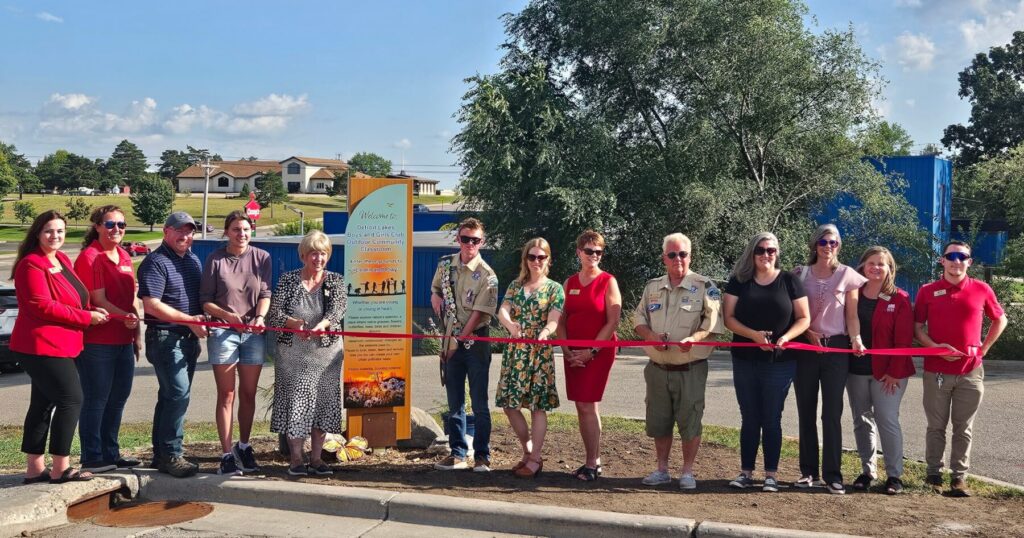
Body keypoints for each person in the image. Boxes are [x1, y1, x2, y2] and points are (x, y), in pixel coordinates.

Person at [12, 210, 109, 484]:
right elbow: (41, 306)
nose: (55, 236)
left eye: (60, 231)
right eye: (49, 231)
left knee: (43, 404)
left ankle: (34, 469)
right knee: (71, 399)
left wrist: (92, 310)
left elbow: (74, 297)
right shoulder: (31, 264)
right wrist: (85, 318)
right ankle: (60, 469)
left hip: (62, 344)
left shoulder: (62, 259)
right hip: (40, 344)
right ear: (37, 234)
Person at [915, 240, 1007, 497]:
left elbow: (1000, 319)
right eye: (951, 256)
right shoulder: (927, 291)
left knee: (963, 427)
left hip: (971, 371)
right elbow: (917, 328)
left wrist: (984, 348)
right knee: (936, 425)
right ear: (942, 260)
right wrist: (935, 347)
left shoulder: (982, 289)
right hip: (937, 372)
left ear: (970, 262)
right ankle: (933, 474)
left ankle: (959, 478)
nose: (956, 261)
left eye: (962, 257)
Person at [633, 233, 724, 490]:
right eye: (672, 255)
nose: (678, 259)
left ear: (690, 256)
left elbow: (714, 323)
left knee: (690, 420)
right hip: (658, 368)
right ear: (664, 258)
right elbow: (638, 317)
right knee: (659, 419)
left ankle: (687, 471)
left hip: (690, 368)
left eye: (683, 254)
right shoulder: (652, 287)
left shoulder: (706, 286)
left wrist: (695, 338)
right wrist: (650, 336)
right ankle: (661, 469)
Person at [723, 232, 810, 493]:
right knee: (749, 417)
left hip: (780, 362)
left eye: (770, 250)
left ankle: (771, 474)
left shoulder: (790, 280)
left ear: (777, 252)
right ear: (752, 253)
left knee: (772, 418)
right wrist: (753, 336)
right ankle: (746, 472)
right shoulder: (739, 281)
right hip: (745, 359)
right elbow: (728, 318)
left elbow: (804, 318)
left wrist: (785, 337)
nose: (765, 255)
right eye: (760, 250)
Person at [792, 223, 866, 494]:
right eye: (823, 242)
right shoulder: (800, 275)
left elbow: (852, 315)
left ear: (839, 245)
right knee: (806, 410)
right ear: (815, 245)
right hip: (806, 347)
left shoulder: (848, 275)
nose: (827, 247)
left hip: (836, 348)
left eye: (833, 243)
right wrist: (806, 331)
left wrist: (856, 338)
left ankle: (833, 475)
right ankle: (807, 471)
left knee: (832, 413)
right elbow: (793, 312)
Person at [267, 230, 347, 477]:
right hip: (293, 354)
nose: (318, 259)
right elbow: (275, 314)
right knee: (299, 404)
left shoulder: (336, 281)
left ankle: (316, 458)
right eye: (314, 253)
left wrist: (322, 325)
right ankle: (296, 460)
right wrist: (294, 324)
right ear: (303, 255)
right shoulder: (288, 280)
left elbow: (337, 311)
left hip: (326, 354)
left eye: (323, 253)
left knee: (324, 404)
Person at [200, 211, 272, 475]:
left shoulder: (261, 257)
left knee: (249, 393)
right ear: (226, 232)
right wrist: (226, 315)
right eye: (236, 229)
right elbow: (205, 300)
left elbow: (265, 293)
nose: (241, 234)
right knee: (227, 394)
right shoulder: (215, 259)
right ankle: (226, 453)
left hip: (253, 332)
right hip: (224, 332)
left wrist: (261, 316)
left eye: (246, 229)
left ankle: (244, 445)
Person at [138, 211, 208, 478]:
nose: (185, 236)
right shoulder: (155, 262)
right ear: (166, 232)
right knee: (179, 394)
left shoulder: (192, 260)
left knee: (170, 396)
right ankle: (171, 454)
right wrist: (190, 320)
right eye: (180, 231)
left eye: (190, 232)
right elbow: (152, 305)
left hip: (189, 338)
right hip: (166, 338)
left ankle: (161, 454)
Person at [73, 205, 143, 474]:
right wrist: (125, 315)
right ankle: (92, 456)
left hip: (123, 339)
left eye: (121, 225)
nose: (117, 230)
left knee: (118, 398)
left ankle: (111, 452)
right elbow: (99, 299)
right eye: (110, 224)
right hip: (97, 342)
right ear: (98, 226)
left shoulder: (124, 255)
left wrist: (135, 334)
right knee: (96, 399)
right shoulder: (90, 257)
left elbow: (131, 298)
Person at [431, 218, 499, 472]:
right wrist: (435, 296)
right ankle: (458, 452)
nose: (469, 244)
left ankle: (482, 455)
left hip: (476, 341)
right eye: (465, 238)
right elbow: (436, 288)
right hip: (451, 338)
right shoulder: (445, 266)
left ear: (482, 242)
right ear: (458, 239)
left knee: (479, 401)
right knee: (455, 399)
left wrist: (461, 337)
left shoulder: (488, 276)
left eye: (475, 240)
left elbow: (481, 313)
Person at [846, 246, 915, 495]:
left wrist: (895, 371)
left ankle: (894, 475)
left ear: (890, 269)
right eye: (871, 263)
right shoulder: (853, 293)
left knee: (887, 419)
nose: (876, 268)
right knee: (861, 421)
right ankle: (868, 471)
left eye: (881, 264)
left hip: (889, 373)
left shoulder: (900, 298)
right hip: (856, 370)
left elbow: (904, 340)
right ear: (863, 265)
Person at [495, 238, 565, 478]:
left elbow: (555, 318)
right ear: (525, 259)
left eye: (541, 257)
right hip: (515, 351)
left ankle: (535, 460)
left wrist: (546, 332)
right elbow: (502, 310)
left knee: (537, 407)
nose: (536, 261)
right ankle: (528, 450)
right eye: (532, 257)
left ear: (548, 259)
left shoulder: (555, 288)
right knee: (509, 404)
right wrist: (510, 324)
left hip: (539, 353)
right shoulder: (516, 285)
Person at [556, 230, 621, 481]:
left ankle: (592, 462)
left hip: (598, 352)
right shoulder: (569, 282)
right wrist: (566, 349)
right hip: (572, 352)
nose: (594, 255)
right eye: (589, 250)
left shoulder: (608, 281)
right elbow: (560, 319)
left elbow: (613, 321)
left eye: (598, 251)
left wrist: (591, 351)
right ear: (578, 253)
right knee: (581, 406)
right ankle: (591, 459)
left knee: (588, 403)